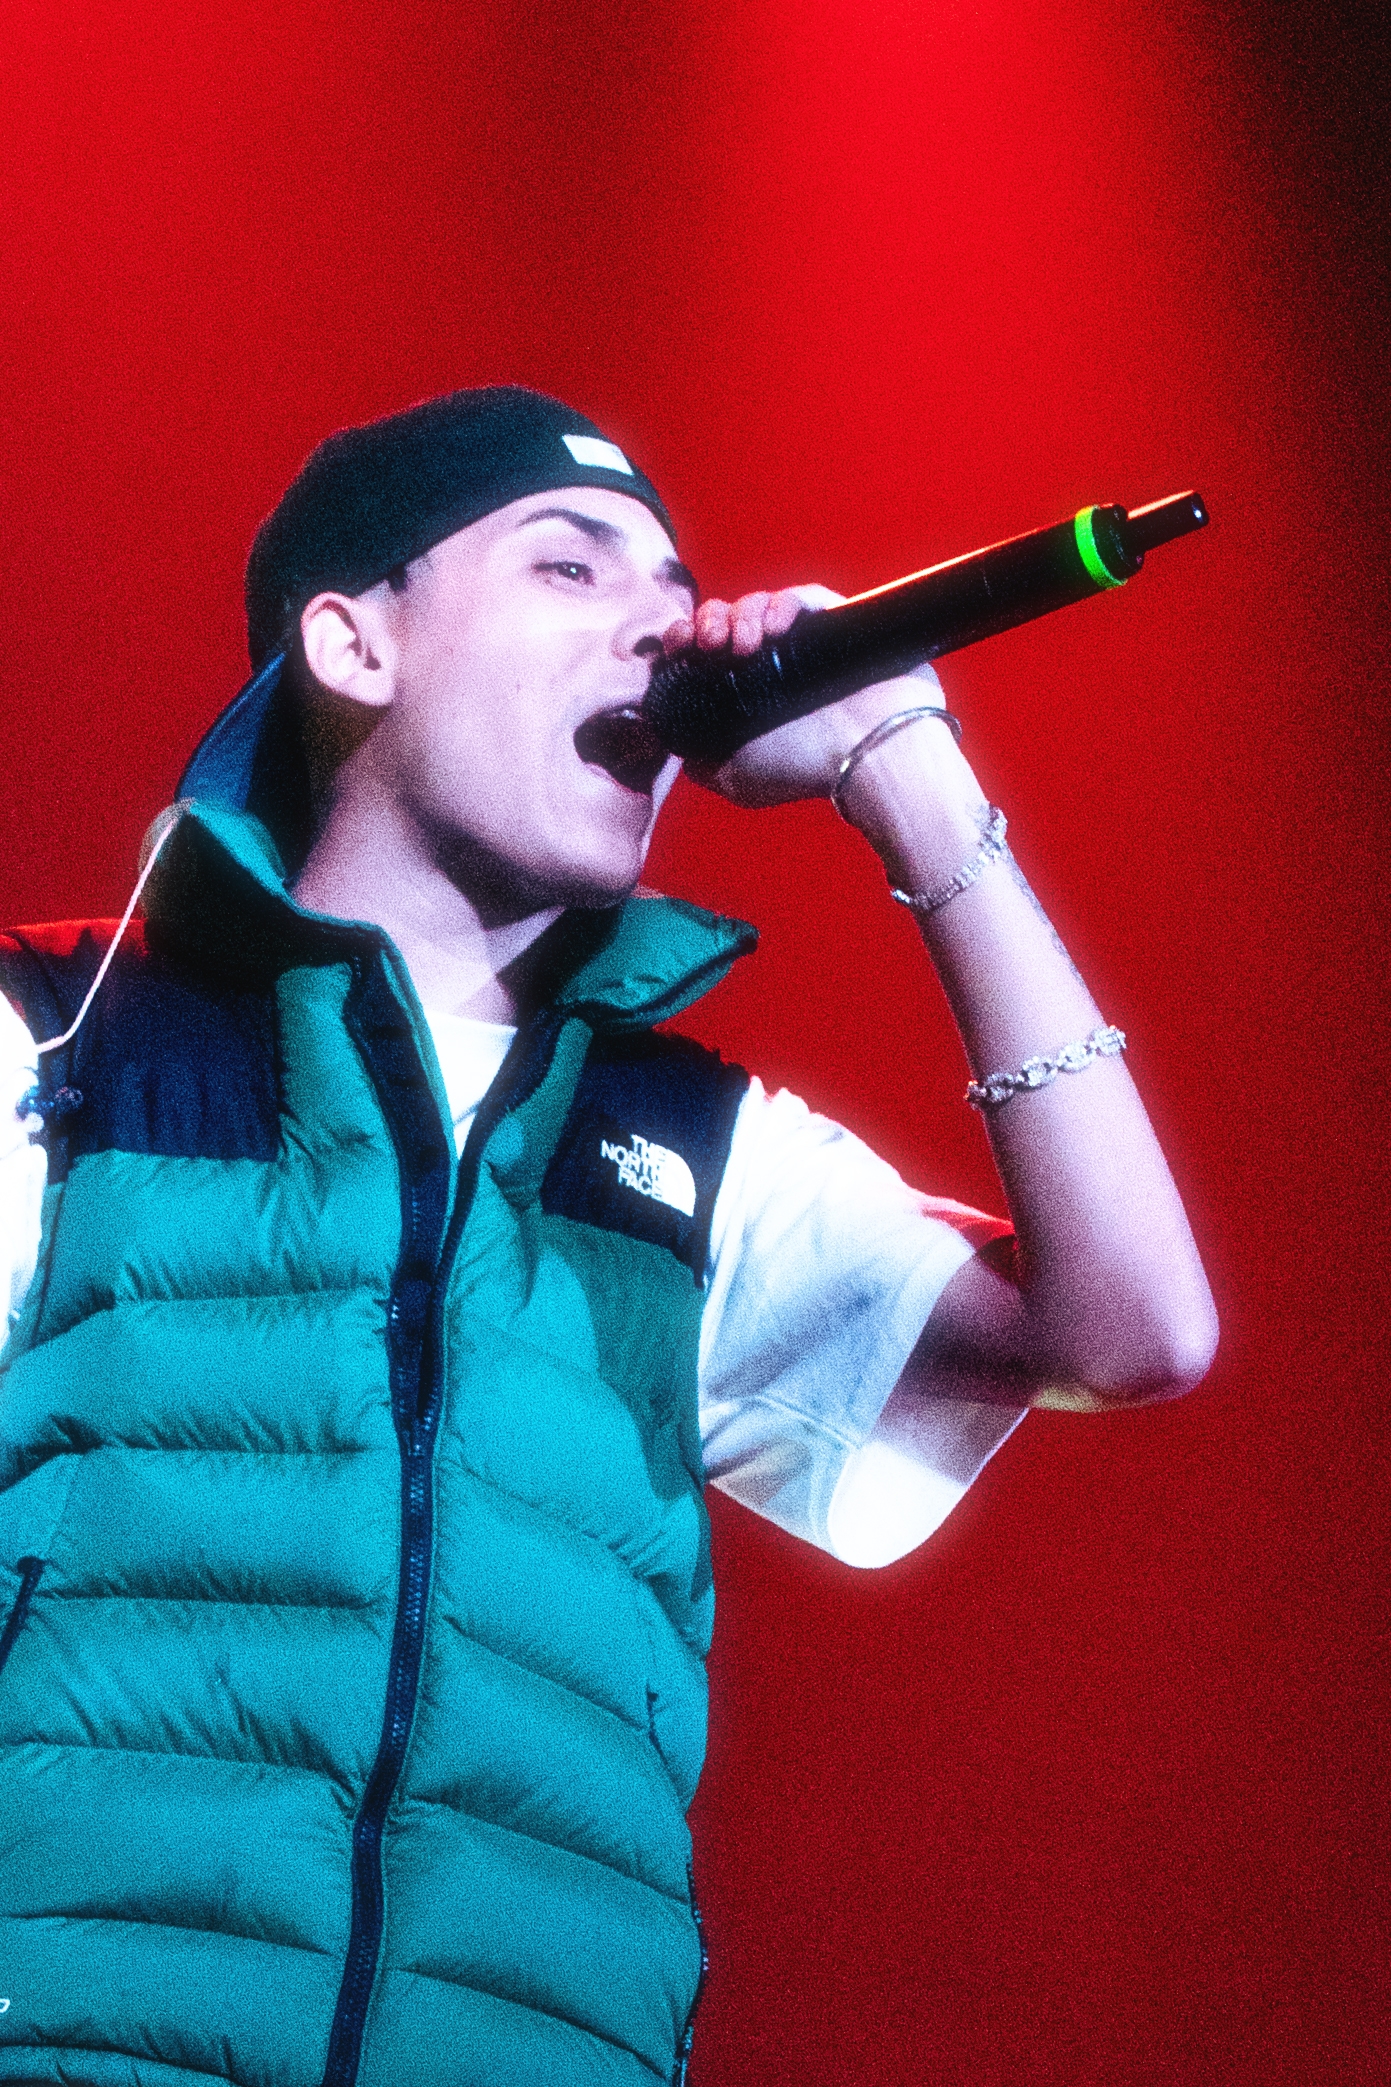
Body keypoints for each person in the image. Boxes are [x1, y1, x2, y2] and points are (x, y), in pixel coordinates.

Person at [0, 387, 1217, 2087]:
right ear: (353, 645)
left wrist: (914, 784)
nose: (661, 626)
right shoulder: (61, 1038)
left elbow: (1133, 1331)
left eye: (674, 586)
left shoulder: (691, 1148)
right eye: (569, 567)